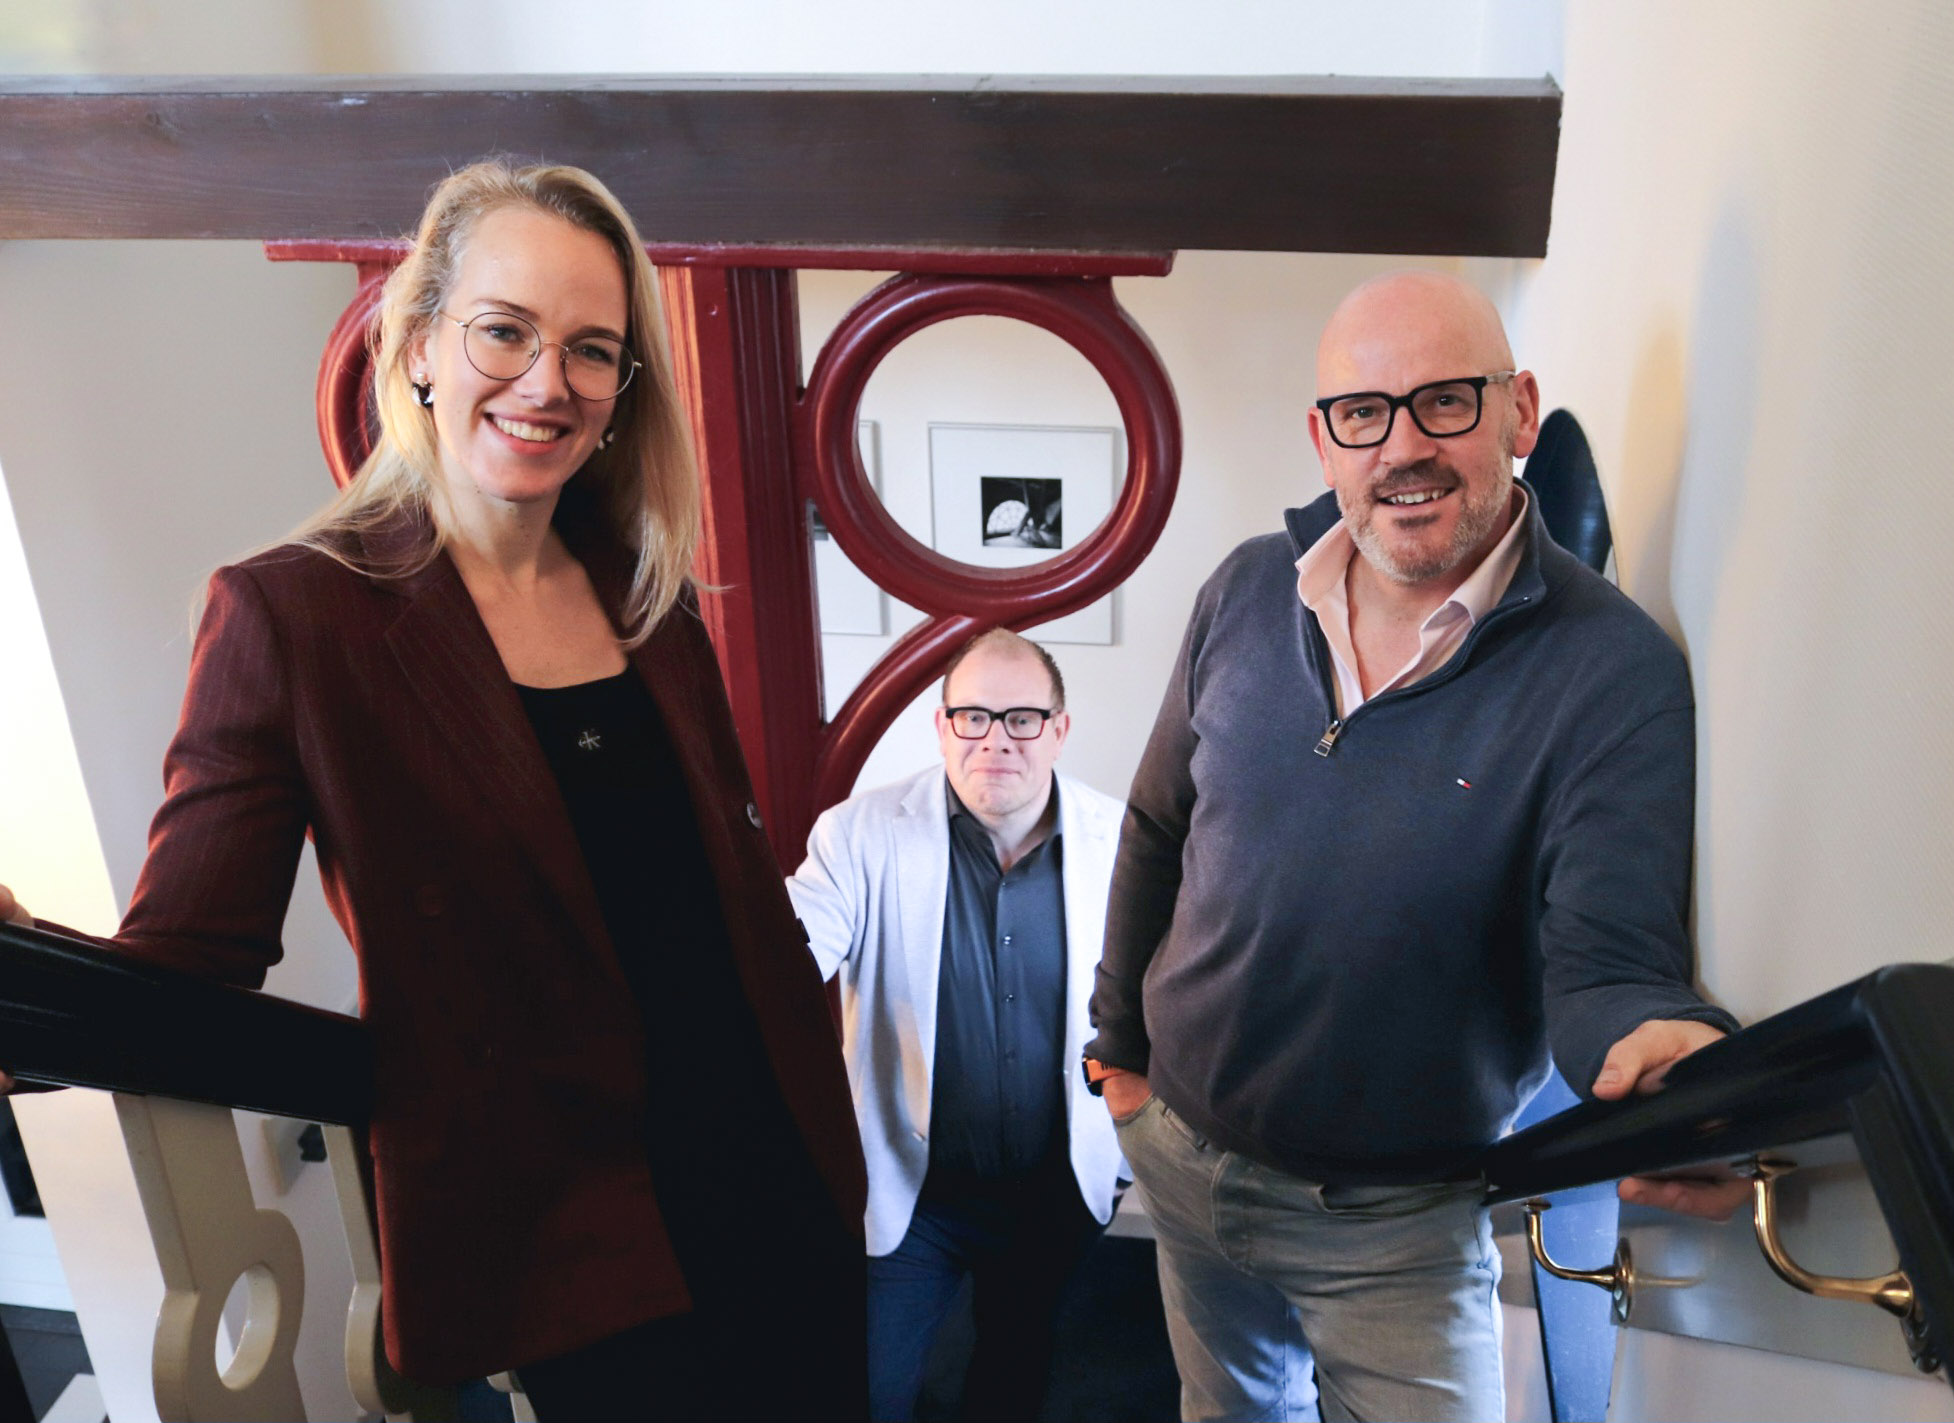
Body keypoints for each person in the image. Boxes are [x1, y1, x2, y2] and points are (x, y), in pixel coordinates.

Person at [0, 160, 866, 1422]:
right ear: (417, 346)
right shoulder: (296, 615)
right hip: (576, 1235)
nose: (546, 382)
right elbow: (189, 959)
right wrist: (28, 988)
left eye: (591, 350)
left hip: (782, 1168)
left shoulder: (650, 596)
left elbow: (731, 891)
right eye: (503, 330)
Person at [1083, 270, 1741, 1423]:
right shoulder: (1245, 589)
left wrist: (1674, 1061)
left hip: (1397, 1226)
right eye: (1363, 412)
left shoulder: (1613, 671)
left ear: (1517, 411)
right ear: (1323, 439)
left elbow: (1608, 958)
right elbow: (1156, 822)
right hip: (1183, 1154)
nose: (1401, 448)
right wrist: (1119, 1056)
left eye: (1444, 400)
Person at [788, 629, 1127, 1422]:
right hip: (913, 1197)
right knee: (867, 1393)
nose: (995, 740)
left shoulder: (1123, 842)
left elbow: (1162, 1002)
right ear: (942, 727)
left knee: (1013, 1377)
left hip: (1054, 1192)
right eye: (973, 716)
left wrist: (1123, 1163)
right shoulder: (857, 834)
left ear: (1059, 729)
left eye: (1021, 719)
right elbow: (785, 953)